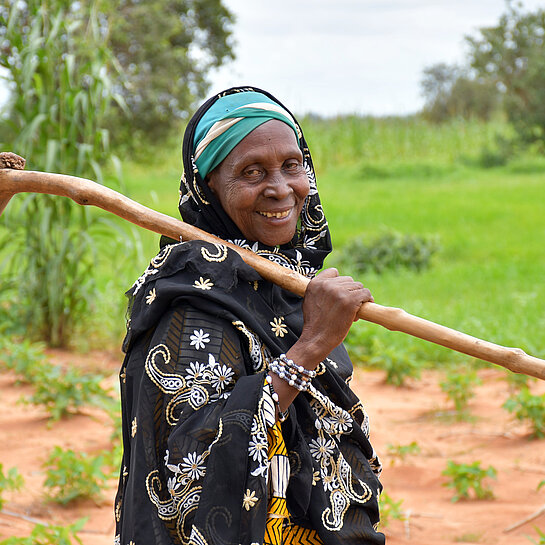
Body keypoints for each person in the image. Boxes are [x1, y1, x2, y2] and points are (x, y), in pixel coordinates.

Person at [114, 87, 384, 545]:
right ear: (210, 186)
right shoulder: (194, 303)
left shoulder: (289, 283)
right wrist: (311, 348)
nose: (281, 189)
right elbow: (191, 473)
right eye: (251, 172)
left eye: (292, 165)